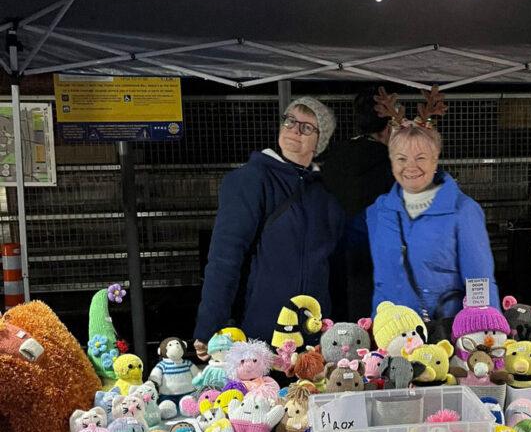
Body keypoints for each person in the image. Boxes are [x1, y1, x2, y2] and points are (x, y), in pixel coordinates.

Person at [193, 97, 345, 359]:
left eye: (307, 127)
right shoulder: (250, 180)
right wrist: (209, 327)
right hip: (258, 337)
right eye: (290, 121)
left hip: (312, 338)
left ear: (319, 142)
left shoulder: (325, 194)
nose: (295, 130)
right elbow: (224, 257)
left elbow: (334, 266)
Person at [366, 87, 500, 323]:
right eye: (401, 158)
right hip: (391, 335)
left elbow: (479, 283)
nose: (410, 166)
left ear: (435, 160)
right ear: (391, 160)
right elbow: (382, 283)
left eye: (420, 158)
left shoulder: (462, 211)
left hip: (443, 335)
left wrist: (485, 332)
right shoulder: (379, 211)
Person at [321, 87, 395, 320]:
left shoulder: (333, 157)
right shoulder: (393, 165)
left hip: (334, 255)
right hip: (375, 260)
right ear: (388, 127)